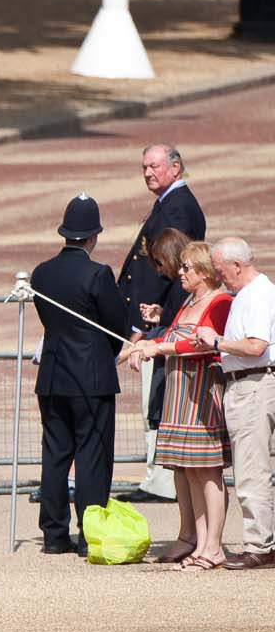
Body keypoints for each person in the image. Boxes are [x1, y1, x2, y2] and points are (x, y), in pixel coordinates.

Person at [29, 195, 133, 556]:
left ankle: (53, 534)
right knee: (91, 455)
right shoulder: (98, 273)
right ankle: (90, 534)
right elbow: (117, 325)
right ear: (93, 237)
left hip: (54, 374)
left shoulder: (42, 272)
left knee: (55, 455)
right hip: (91, 376)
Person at [124, 241, 233, 569]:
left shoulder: (220, 301)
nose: (181, 272)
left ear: (204, 272)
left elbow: (205, 346)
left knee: (207, 470)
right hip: (178, 395)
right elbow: (171, 337)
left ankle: (213, 545)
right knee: (187, 470)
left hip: (200, 395)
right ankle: (199, 542)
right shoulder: (188, 300)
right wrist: (144, 345)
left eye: (187, 267)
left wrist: (159, 350)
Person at [118, 144, 205, 503]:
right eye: (144, 167)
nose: (147, 173)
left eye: (154, 166)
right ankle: (158, 477)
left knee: (158, 400)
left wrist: (141, 326)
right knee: (154, 399)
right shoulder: (168, 202)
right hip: (158, 317)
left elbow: (168, 269)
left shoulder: (179, 207)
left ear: (175, 167)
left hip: (162, 320)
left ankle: (162, 481)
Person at [201, 239, 275, 569]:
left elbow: (257, 345)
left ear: (236, 266)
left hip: (253, 385)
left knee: (251, 470)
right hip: (248, 384)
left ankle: (260, 544)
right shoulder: (250, 294)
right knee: (251, 468)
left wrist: (217, 342)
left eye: (220, 272)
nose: (220, 279)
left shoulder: (258, 294)